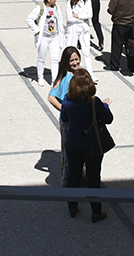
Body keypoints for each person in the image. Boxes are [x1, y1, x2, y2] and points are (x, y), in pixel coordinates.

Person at [61, 68, 113, 223]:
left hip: (73, 143)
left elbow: (64, 118)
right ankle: (96, 211)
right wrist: (105, 106)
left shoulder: (67, 100)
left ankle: (72, 207)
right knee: (93, 177)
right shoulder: (93, 102)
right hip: (92, 145)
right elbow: (108, 119)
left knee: (73, 176)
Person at [48, 47, 82, 186]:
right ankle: (67, 181)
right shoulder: (65, 78)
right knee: (69, 154)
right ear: (66, 62)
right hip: (69, 123)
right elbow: (51, 97)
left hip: (81, 120)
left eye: (76, 59)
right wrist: (65, 109)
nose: (75, 62)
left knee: (82, 152)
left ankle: (82, 177)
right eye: (71, 60)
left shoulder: (80, 73)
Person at [26, 0, 66, 86]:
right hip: (43, 38)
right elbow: (29, 19)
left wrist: (61, 33)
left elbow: (60, 20)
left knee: (55, 59)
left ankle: (54, 80)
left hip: (54, 37)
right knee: (41, 58)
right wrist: (37, 30)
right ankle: (40, 77)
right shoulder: (40, 8)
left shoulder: (56, 7)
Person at [106, 0, 134, 74]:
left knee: (117, 46)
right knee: (130, 46)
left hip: (119, 24)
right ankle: (132, 66)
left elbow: (111, 10)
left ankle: (115, 65)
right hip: (131, 25)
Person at [65, 0, 94, 80]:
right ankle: (68, 74)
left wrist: (78, 16)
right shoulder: (70, 2)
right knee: (71, 51)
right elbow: (69, 18)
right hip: (73, 29)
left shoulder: (87, 0)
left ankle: (90, 74)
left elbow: (90, 15)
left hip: (84, 29)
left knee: (86, 51)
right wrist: (83, 17)